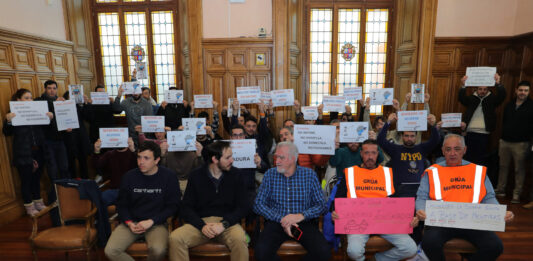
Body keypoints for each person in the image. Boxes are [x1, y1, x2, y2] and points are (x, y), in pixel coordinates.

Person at [415, 134, 515, 261]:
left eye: (457, 149)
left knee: (495, 246)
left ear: (464, 150)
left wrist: (500, 212)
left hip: (472, 221)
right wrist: (421, 210)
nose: (452, 153)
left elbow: (488, 197)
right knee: (429, 243)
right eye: (448, 149)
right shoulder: (432, 171)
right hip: (440, 222)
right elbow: (421, 197)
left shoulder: (477, 171)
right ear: (443, 151)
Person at [332, 139, 418, 261]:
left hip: (385, 221)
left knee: (410, 249)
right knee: (354, 252)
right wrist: (334, 211)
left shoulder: (387, 173)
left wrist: (411, 216)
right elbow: (338, 198)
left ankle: (378, 259)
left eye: (373, 153)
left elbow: (399, 200)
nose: (370, 157)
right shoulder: (350, 173)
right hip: (357, 221)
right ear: (361, 154)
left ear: (378, 154)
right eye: (367, 153)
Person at [169, 141, 250, 261]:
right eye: (228, 157)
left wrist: (224, 224)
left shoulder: (236, 175)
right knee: (175, 238)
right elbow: (186, 207)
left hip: (227, 223)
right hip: (201, 223)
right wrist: (202, 225)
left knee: (240, 239)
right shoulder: (196, 175)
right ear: (215, 159)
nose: (232, 160)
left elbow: (243, 206)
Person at [253, 142, 331, 261]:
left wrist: (301, 216)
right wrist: (282, 219)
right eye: (276, 157)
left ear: (293, 159)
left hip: (303, 223)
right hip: (276, 223)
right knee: (261, 253)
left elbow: (321, 206)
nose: (277, 161)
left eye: (281, 157)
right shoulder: (270, 174)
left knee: (323, 252)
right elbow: (258, 204)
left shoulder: (309, 175)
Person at [104, 141, 180, 261]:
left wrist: (151, 221)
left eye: (146, 158)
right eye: (139, 157)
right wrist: (129, 222)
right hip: (132, 223)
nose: (141, 162)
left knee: (158, 250)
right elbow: (121, 205)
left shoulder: (169, 176)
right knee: (110, 250)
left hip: (156, 223)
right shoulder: (129, 177)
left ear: (157, 160)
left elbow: (173, 206)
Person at [3, 89, 52, 216]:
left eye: (31, 97)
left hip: (39, 151)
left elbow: (46, 129)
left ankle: (39, 203)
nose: (30, 100)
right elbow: (7, 132)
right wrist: (8, 121)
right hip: (23, 153)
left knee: (37, 179)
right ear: (18, 100)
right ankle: (29, 207)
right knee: (26, 181)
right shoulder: (13, 113)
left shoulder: (37, 110)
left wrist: (49, 118)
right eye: (26, 97)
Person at [377, 112, 440, 197]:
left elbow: (435, 140)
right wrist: (388, 123)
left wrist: (433, 126)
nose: (409, 139)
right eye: (406, 136)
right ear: (402, 136)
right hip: (400, 191)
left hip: (418, 191)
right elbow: (380, 140)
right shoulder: (395, 149)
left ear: (416, 136)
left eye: (412, 136)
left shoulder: (421, 148)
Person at [34, 80, 71, 212]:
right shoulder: (39, 102)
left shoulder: (60, 101)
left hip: (60, 140)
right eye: (49, 88)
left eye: (54, 88)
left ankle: (67, 195)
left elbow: (66, 117)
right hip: (47, 141)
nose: (52, 91)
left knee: (64, 167)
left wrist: (68, 127)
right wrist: (55, 106)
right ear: (45, 89)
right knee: (53, 170)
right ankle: (55, 199)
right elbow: (39, 118)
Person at [495, 81, 533, 203]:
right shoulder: (509, 105)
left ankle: (516, 194)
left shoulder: (531, 106)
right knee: (503, 167)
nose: (523, 93)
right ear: (516, 90)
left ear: (529, 92)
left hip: (521, 143)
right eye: (521, 90)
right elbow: (504, 121)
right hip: (505, 141)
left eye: (526, 90)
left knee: (519, 169)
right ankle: (500, 190)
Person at [458, 73, 506, 165]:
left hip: (484, 134)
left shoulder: (492, 99)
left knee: (480, 160)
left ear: (488, 90)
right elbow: (462, 99)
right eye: (480, 89)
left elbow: (502, 96)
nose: (482, 91)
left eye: (485, 89)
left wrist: (498, 84)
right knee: (468, 158)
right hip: (470, 133)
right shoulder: (472, 98)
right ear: (476, 89)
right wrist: (463, 86)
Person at [93, 137, 137, 207]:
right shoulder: (109, 154)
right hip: (114, 190)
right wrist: (97, 151)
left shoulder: (133, 154)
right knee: (98, 201)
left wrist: (133, 150)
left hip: (131, 191)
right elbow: (97, 165)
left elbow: (140, 166)